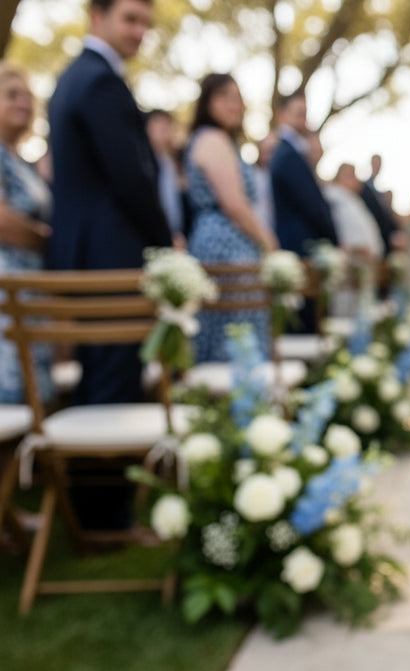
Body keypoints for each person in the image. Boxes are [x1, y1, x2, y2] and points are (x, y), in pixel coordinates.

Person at [47, 0, 172, 532]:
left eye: (145, 22)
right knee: (113, 385)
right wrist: (165, 244)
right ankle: (105, 520)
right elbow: (130, 178)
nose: (140, 31)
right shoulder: (99, 81)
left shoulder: (76, 77)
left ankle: (92, 512)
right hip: (109, 257)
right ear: (96, 17)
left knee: (103, 378)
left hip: (89, 254)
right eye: (130, 18)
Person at [185, 73, 277, 362]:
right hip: (225, 249)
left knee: (240, 334)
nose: (234, 104)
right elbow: (234, 204)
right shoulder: (212, 139)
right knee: (235, 337)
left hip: (231, 246)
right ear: (207, 102)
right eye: (224, 96)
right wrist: (269, 243)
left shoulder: (223, 141)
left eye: (237, 97)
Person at [0, 63, 53, 404]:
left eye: (28, 97)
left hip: (30, 289)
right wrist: (47, 239)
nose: (23, 103)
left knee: (33, 393)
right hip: (7, 288)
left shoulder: (18, 159)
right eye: (12, 95)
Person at [269, 91, 336, 332]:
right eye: (298, 113)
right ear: (282, 115)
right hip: (299, 248)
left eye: (305, 114)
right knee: (303, 323)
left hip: (301, 247)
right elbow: (312, 205)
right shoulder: (288, 154)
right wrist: (332, 237)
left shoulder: (292, 152)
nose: (303, 120)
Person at [145, 108, 187, 248]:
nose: (164, 127)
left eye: (168, 123)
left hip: (177, 236)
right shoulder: (143, 163)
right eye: (158, 122)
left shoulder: (176, 163)